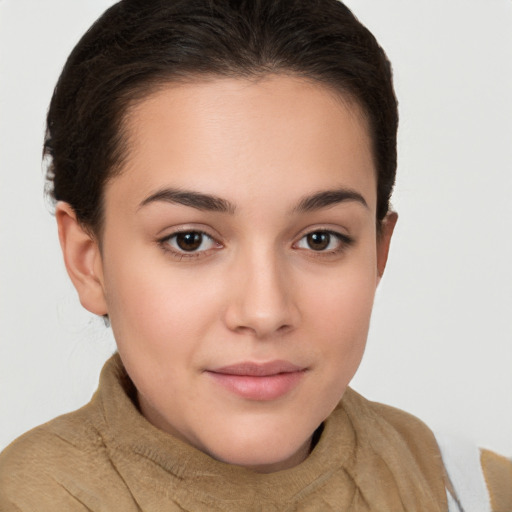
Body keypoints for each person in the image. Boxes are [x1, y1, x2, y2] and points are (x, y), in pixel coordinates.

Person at [0, 0, 510, 510]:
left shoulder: (476, 493)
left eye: (319, 239)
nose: (265, 312)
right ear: (88, 260)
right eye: (190, 240)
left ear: (379, 252)